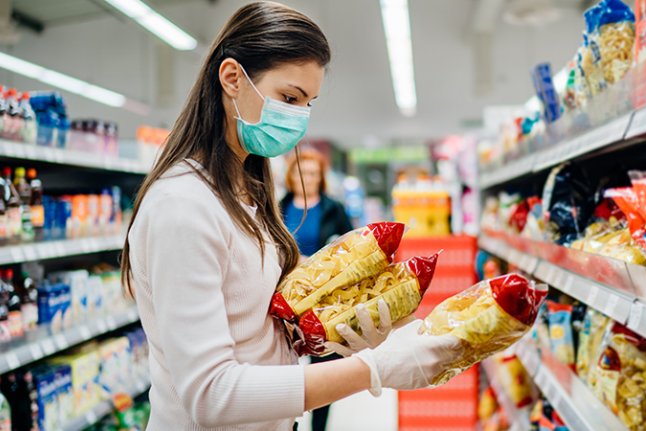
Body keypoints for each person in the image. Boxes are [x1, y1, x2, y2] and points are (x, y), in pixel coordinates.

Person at [120, 2, 461, 430]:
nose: (299, 117)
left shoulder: (249, 193)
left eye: (308, 103)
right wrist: (372, 371)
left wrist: (335, 335)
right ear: (231, 78)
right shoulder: (182, 206)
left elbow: (256, 332)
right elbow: (209, 394)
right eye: (289, 98)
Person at [281, 149, 352, 431]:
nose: (306, 178)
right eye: (301, 172)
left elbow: (351, 247)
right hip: (287, 297)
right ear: (291, 176)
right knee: (283, 361)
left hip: (325, 299)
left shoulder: (334, 210)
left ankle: (318, 426)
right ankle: (288, 421)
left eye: (312, 173)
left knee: (323, 363)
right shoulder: (278, 206)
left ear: (321, 177)